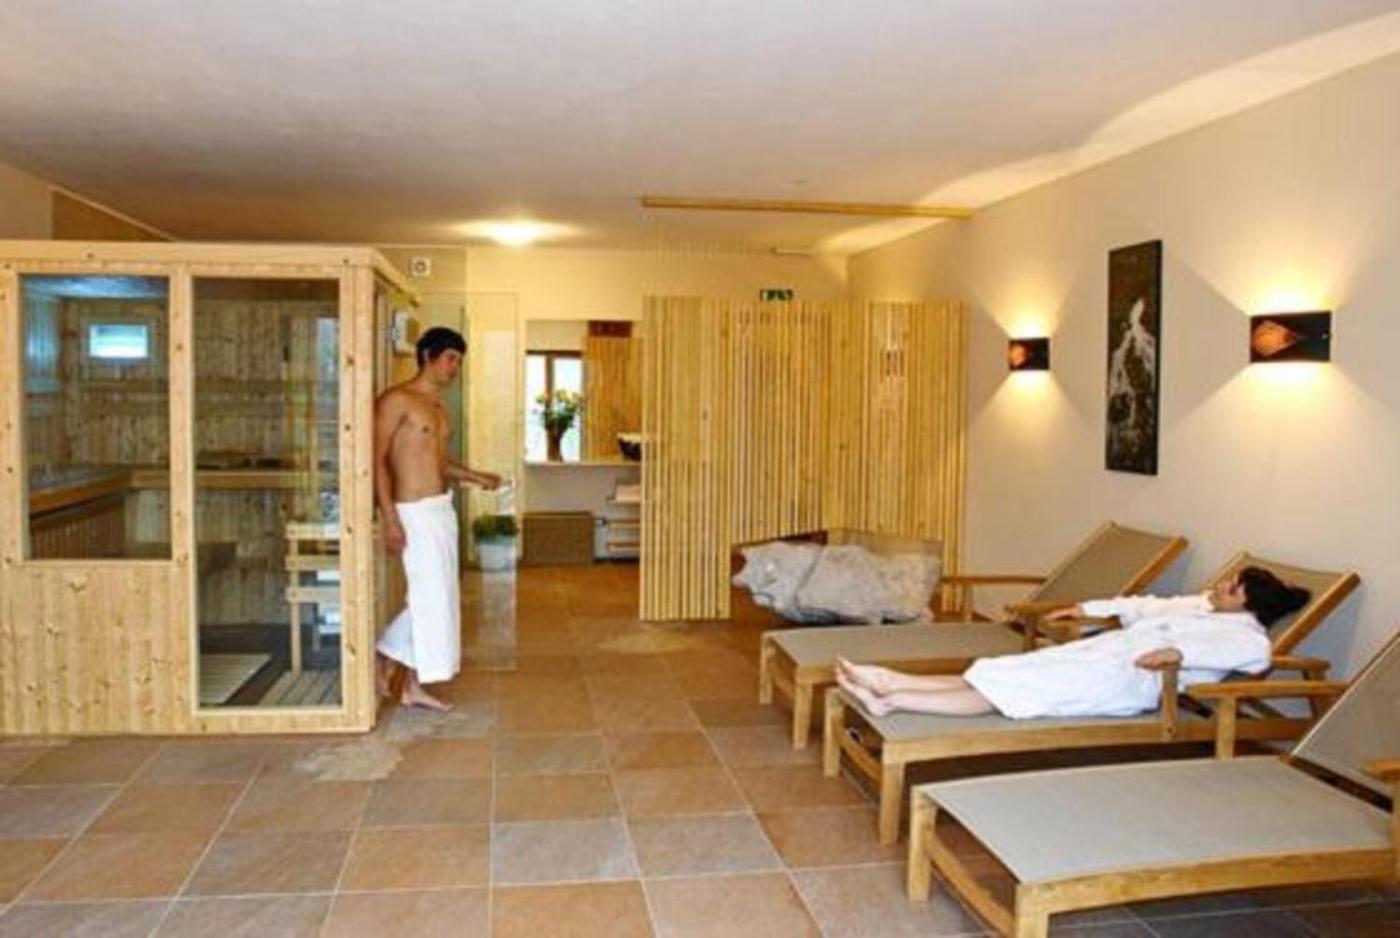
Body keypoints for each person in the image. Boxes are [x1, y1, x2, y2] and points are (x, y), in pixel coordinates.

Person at [836, 567, 1311, 720]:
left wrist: (1179, 654)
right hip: (1105, 655)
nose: (1220, 587)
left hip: (1130, 681)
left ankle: (893, 700)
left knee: (1011, 691)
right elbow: (1144, 605)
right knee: (1003, 670)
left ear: (1249, 604)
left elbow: (1256, 659)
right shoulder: (1203, 608)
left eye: (1231, 588)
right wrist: (1083, 607)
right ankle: (890, 681)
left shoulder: (1246, 638)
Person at [375, 326, 502, 711]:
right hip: (412, 511)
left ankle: (411, 684)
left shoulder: (439, 408)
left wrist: (476, 477)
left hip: (440, 509)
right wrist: (390, 518)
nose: (454, 368)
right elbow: (375, 460)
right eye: (450, 359)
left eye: (459, 362)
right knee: (429, 597)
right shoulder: (397, 400)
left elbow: (439, 463)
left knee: (441, 598)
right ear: (428, 355)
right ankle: (384, 657)